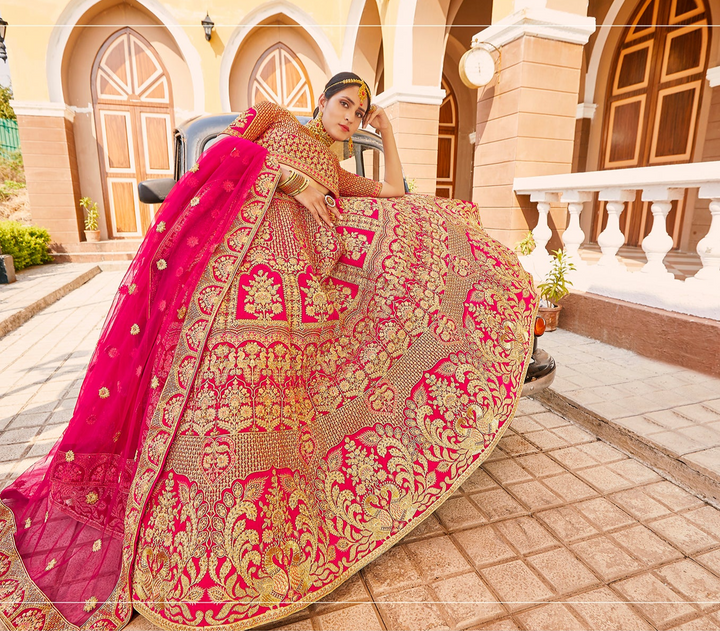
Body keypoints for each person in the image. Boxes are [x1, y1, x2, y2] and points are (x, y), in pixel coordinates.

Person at [0, 72, 537, 631]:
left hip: (303, 293)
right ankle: (187, 542)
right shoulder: (274, 120)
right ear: (322, 101)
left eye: (360, 113)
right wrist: (290, 183)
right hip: (236, 279)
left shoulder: (338, 172)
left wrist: (390, 131)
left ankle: (264, 535)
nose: (351, 117)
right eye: (345, 104)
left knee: (421, 227)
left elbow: (398, 196)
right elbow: (227, 153)